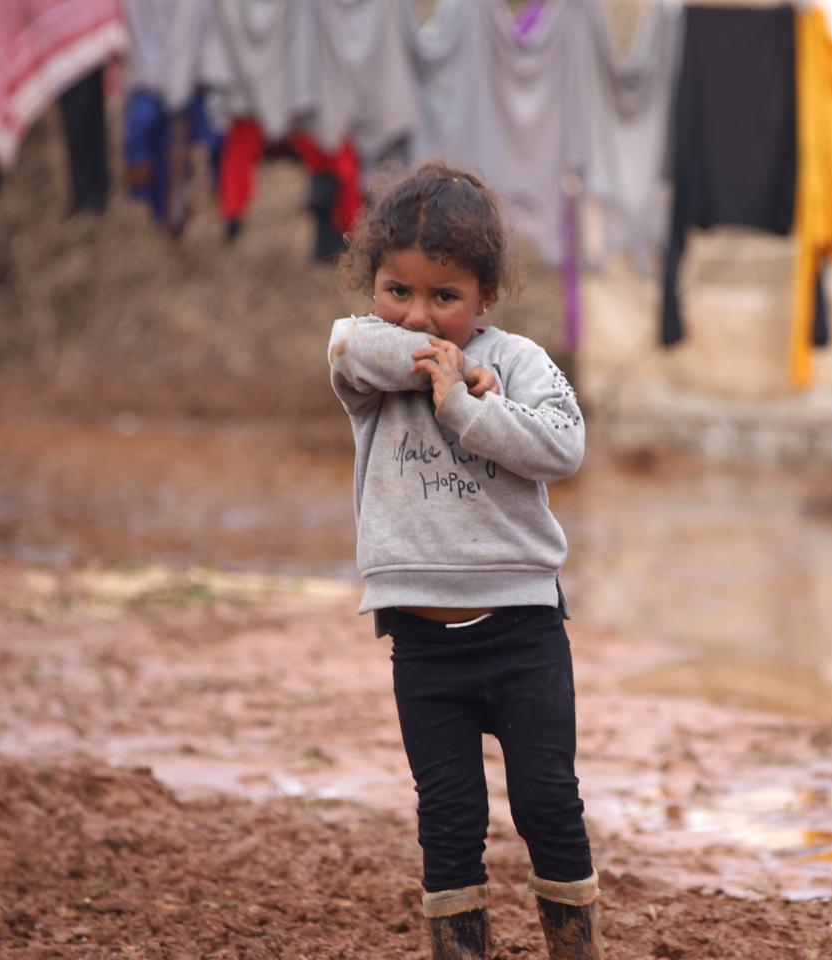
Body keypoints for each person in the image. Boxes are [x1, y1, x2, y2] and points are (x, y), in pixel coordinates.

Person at [326, 162, 601, 960]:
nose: (418, 315)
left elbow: (564, 446)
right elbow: (351, 344)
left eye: (444, 297)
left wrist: (471, 405)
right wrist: (433, 363)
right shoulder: (366, 362)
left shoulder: (515, 362)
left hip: (524, 634)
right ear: (371, 283)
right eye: (396, 290)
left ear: (484, 297)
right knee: (448, 820)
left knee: (549, 802)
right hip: (422, 645)